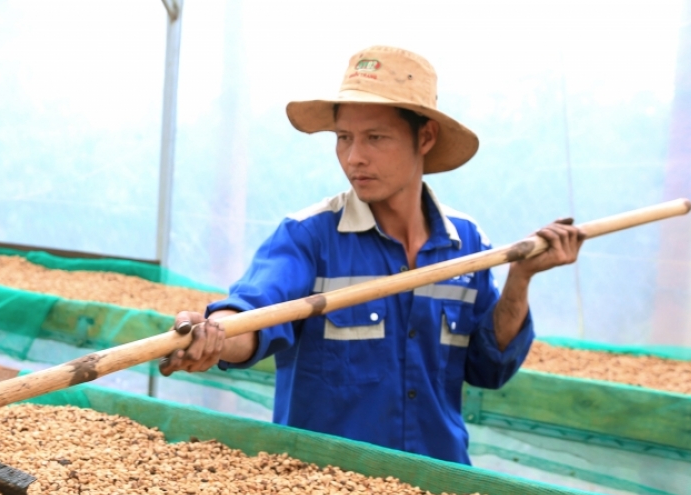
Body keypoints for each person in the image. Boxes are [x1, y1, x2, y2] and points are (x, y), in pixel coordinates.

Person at [160, 45, 585, 464]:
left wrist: (521, 278)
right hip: (326, 490)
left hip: (442, 489)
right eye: (344, 138)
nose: (353, 157)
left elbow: (488, 368)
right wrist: (213, 336)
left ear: (426, 137)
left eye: (375, 138)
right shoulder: (310, 236)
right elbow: (256, 315)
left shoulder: (466, 244)